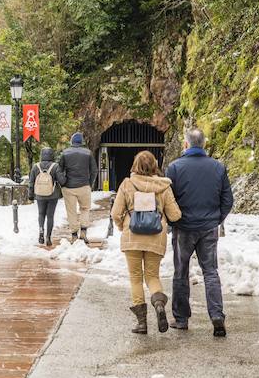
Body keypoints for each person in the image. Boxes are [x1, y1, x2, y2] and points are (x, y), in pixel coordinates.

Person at [165, 128, 234, 337]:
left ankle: (181, 318)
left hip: (183, 228)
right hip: (208, 228)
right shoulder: (218, 167)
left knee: (181, 272)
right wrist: (216, 219)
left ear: (186, 144)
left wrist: (173, 221)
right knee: (211, 272)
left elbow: (168, 200)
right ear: (204, 144)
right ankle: (216, 315)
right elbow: (227, 199)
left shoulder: (174, 168)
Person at [111, 151, 181, 334]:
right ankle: (158, 303)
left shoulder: (127, 184)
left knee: (135, 278)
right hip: (156, 238)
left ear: (135, 165)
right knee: (152, 276)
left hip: (132, 237)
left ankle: (142, 323)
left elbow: (115, 213)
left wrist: (122, 225)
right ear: (155, 166)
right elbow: (175, 215)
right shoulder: (164, 186)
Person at [59, 132, 98, 243]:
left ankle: (74, 234)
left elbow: (59, 170)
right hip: (84, 186)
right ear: (81, 142)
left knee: (71, 211)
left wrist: (63, 183)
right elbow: (94, 170)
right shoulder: (88, 153)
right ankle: (84, 232)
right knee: (85, 209)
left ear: (71, 141)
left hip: (69, 187)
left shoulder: (65, 153)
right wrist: (89, 183)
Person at [27, 147, 65, 247]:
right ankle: (48, 236)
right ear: (52, 155)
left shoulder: (35, 167)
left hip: (39, 195)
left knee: (41, 214)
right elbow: (62, 181)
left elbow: (31, 182)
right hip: (53, 195)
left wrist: (30, 195)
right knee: (50, 216)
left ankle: (41, 231)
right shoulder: (55, 166)